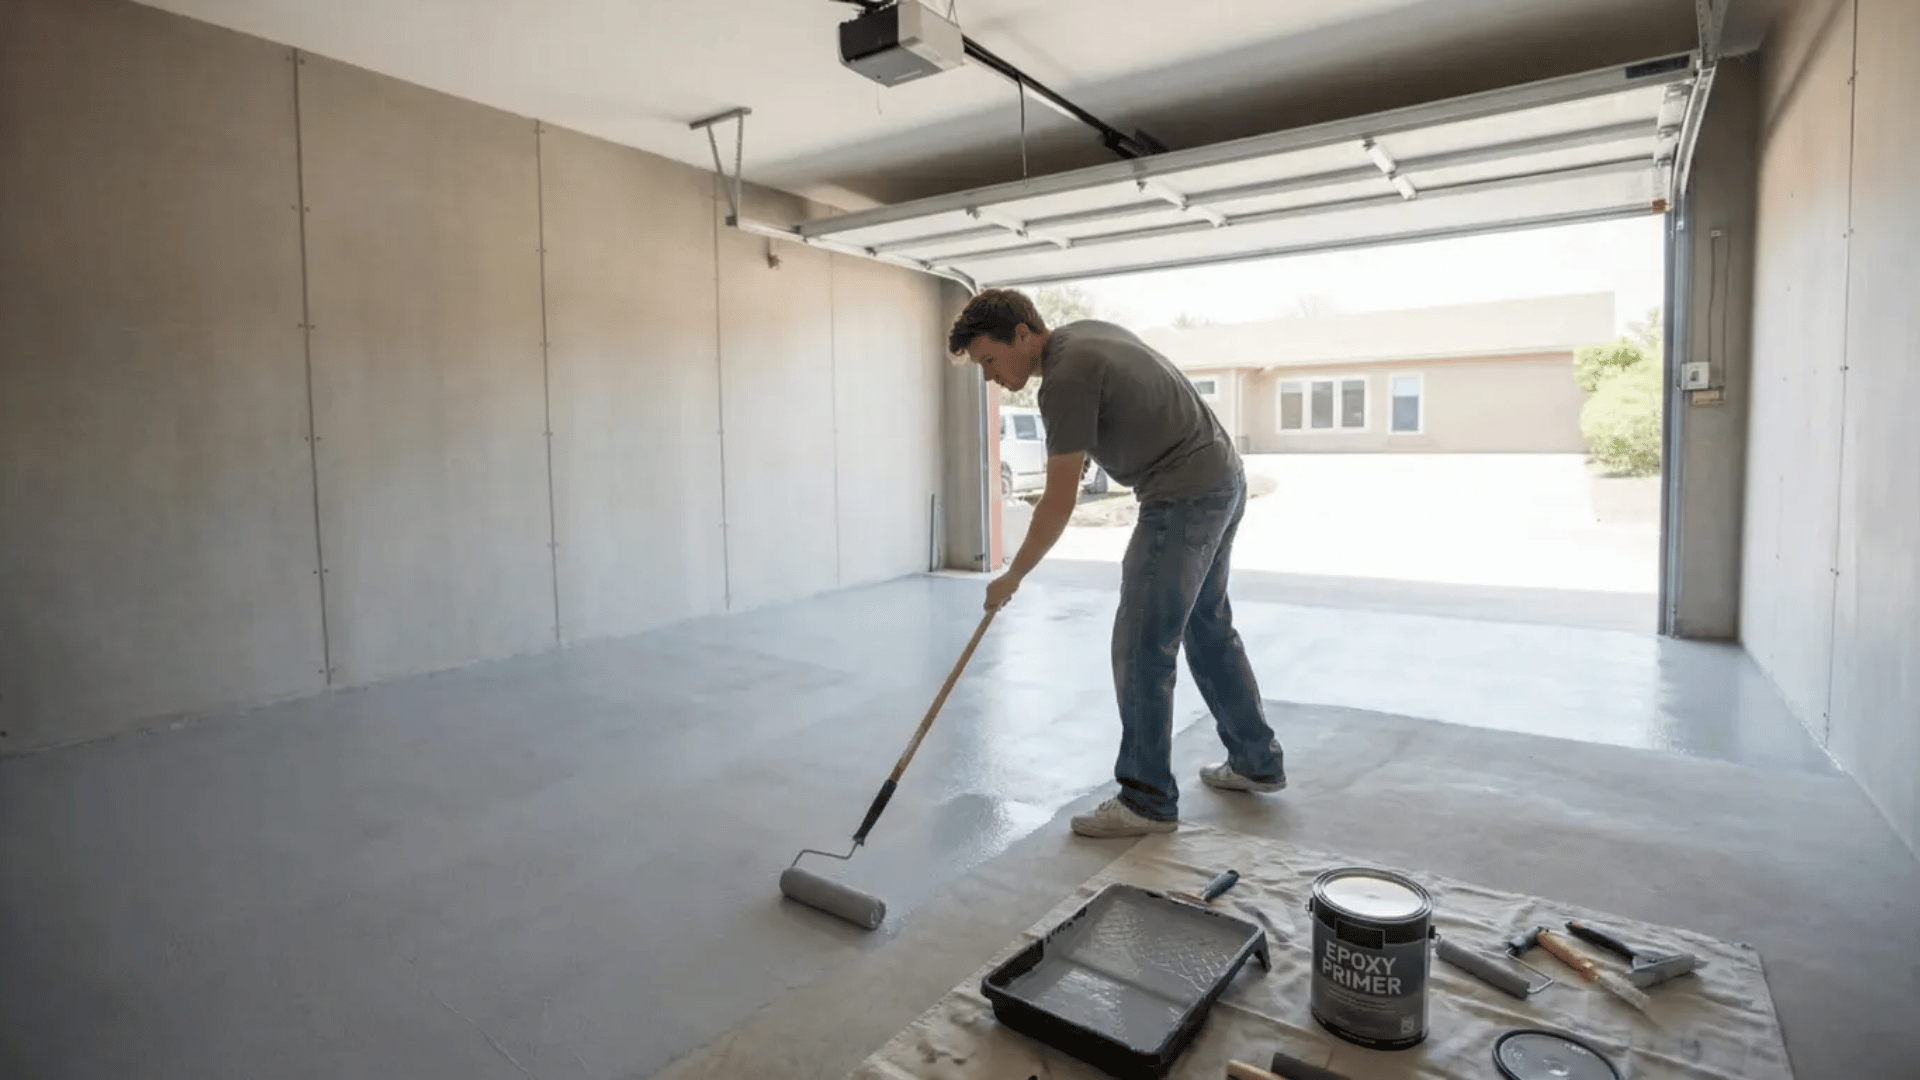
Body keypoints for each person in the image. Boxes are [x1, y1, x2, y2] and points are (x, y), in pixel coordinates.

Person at [948, 288, 1286, 838]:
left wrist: (1013, 575)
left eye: (989, 360)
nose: (990, 377)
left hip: (1183, 495)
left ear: (1022, 335)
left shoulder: (1065, 378)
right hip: (1222, 478)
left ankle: (1146, 799)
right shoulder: (1082, 336)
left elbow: (1058, 501)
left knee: (1141, 643)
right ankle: (1256, 759)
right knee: (1206, 626)